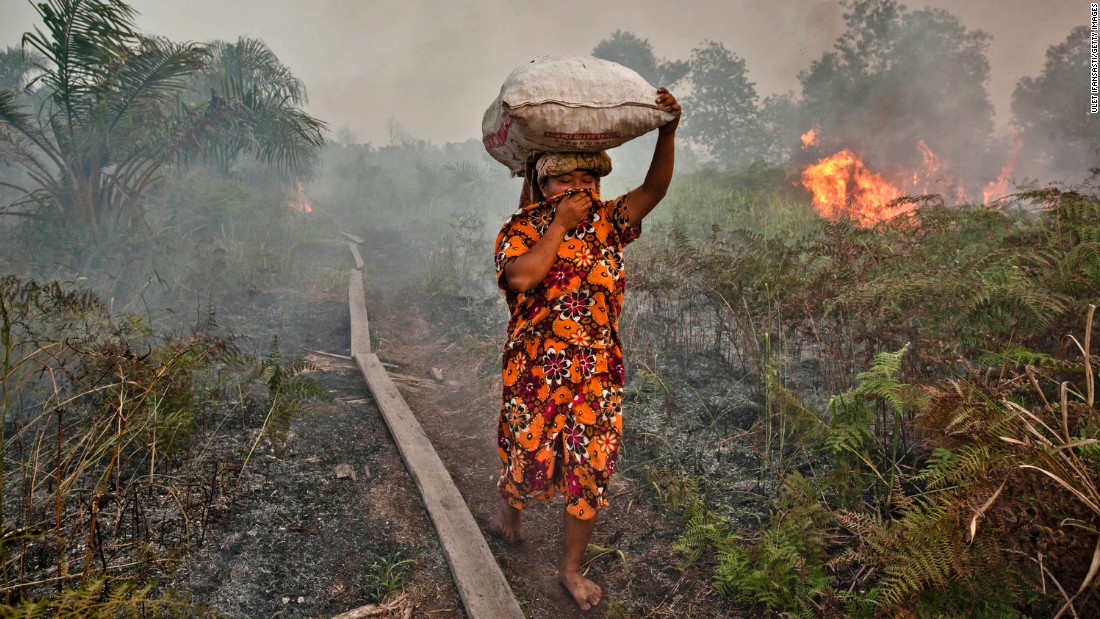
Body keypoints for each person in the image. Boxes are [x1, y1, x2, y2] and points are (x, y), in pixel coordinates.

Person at [492, 88, 680, 611]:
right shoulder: (522, 229)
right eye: (565, 178)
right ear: (542, 181)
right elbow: (523, 277)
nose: (579, 188)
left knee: (589, 469)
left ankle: (570, 570)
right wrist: (558, 225)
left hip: (595, 372)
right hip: (534, 371)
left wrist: (667, 131)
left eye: (589, 178)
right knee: (527, 454)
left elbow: (655, 188)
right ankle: (512, 504)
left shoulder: (609, 224)